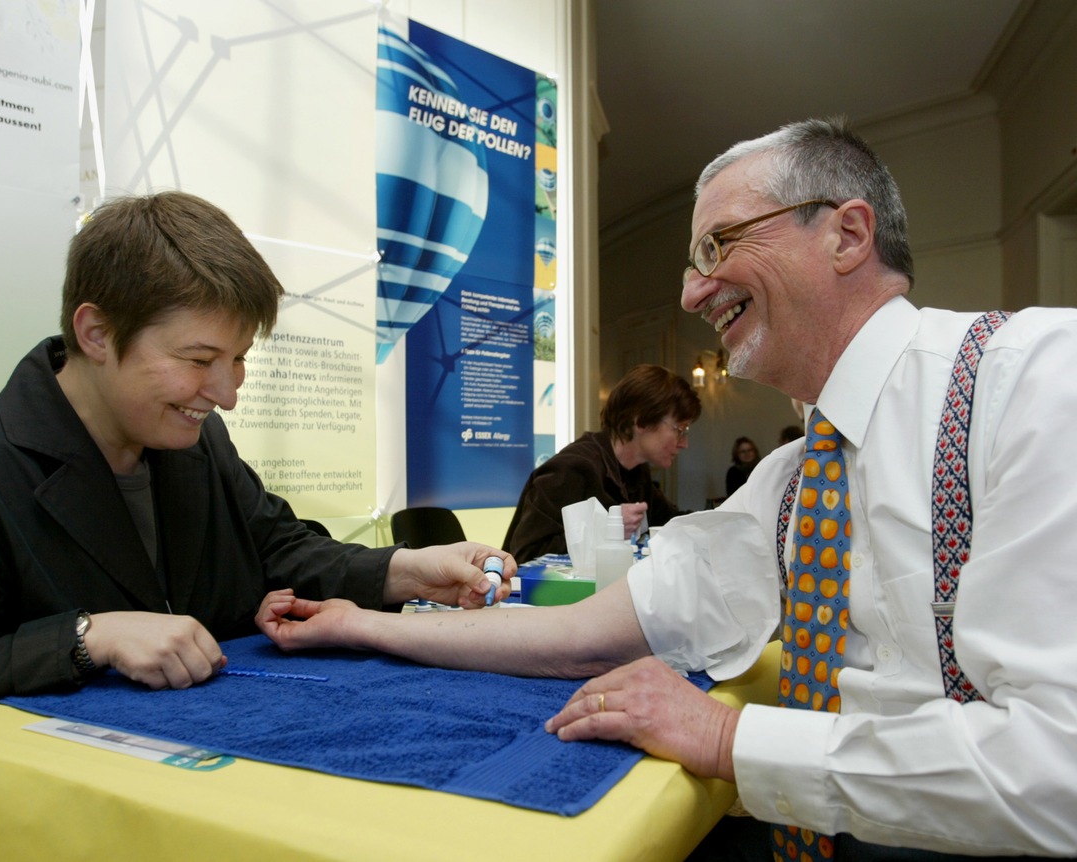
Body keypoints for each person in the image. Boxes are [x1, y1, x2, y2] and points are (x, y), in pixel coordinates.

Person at [254, 118, 1077, 859]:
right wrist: (366, 623)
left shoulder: (1036, 380)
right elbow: (575, 636)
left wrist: (727, 740)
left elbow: (1056, 774)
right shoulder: (790, 484)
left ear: (846, 234)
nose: (690, 293)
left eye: (718, 245)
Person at [0, 191, 512, 730]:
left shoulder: (195, 441)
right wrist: (85, 639)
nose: (228, 394)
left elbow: (276, 548)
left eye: (237, 359)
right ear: (97, 333)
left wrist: (405, 571)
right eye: (198, 360)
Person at [500, 363, 700, 562]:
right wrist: (607, 528)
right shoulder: (571, 469)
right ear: (642, 422)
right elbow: (524, 554)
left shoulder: (636, 472)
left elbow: (672, 521)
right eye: (679, 430)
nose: (685, 444)